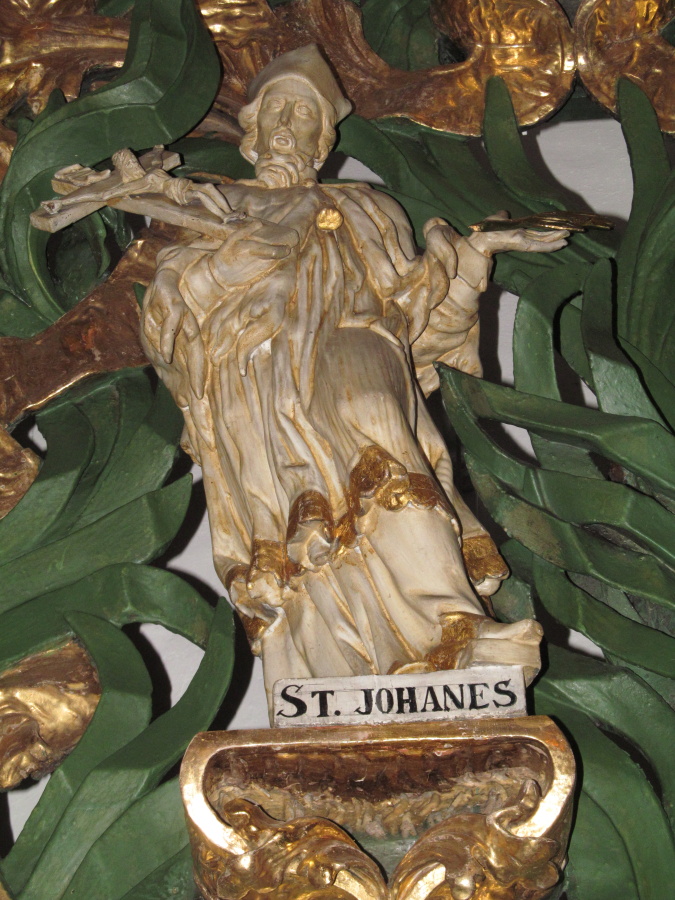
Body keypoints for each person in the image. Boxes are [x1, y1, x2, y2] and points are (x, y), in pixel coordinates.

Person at [139, 45, 567, 707]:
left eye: (305, 114)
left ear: (324, 138)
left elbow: (419, 321)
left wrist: (472, 259)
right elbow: (167, 319)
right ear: (252, 128)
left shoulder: (365, 208)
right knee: (300, 523)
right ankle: (326, 676)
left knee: (380, 429)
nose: (288, 125)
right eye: (277, 110)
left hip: (354, 344)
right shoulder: (211, 207)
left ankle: (454, 630)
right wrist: (234, 261)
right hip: (257, 378)